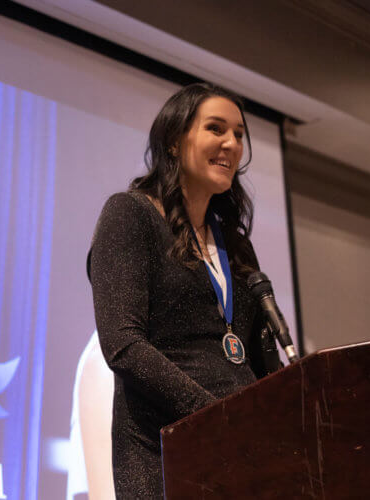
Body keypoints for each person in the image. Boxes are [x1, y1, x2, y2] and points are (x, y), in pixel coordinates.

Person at [87, 82, 280, 498]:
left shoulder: (234, 242)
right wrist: (213, 416)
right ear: (174, 142)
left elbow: (261, 360)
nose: (231, 143)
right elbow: (123, 345)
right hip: (165, 452)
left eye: (239, 135)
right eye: (215, 128)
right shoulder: (130, 215)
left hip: (244, 455)